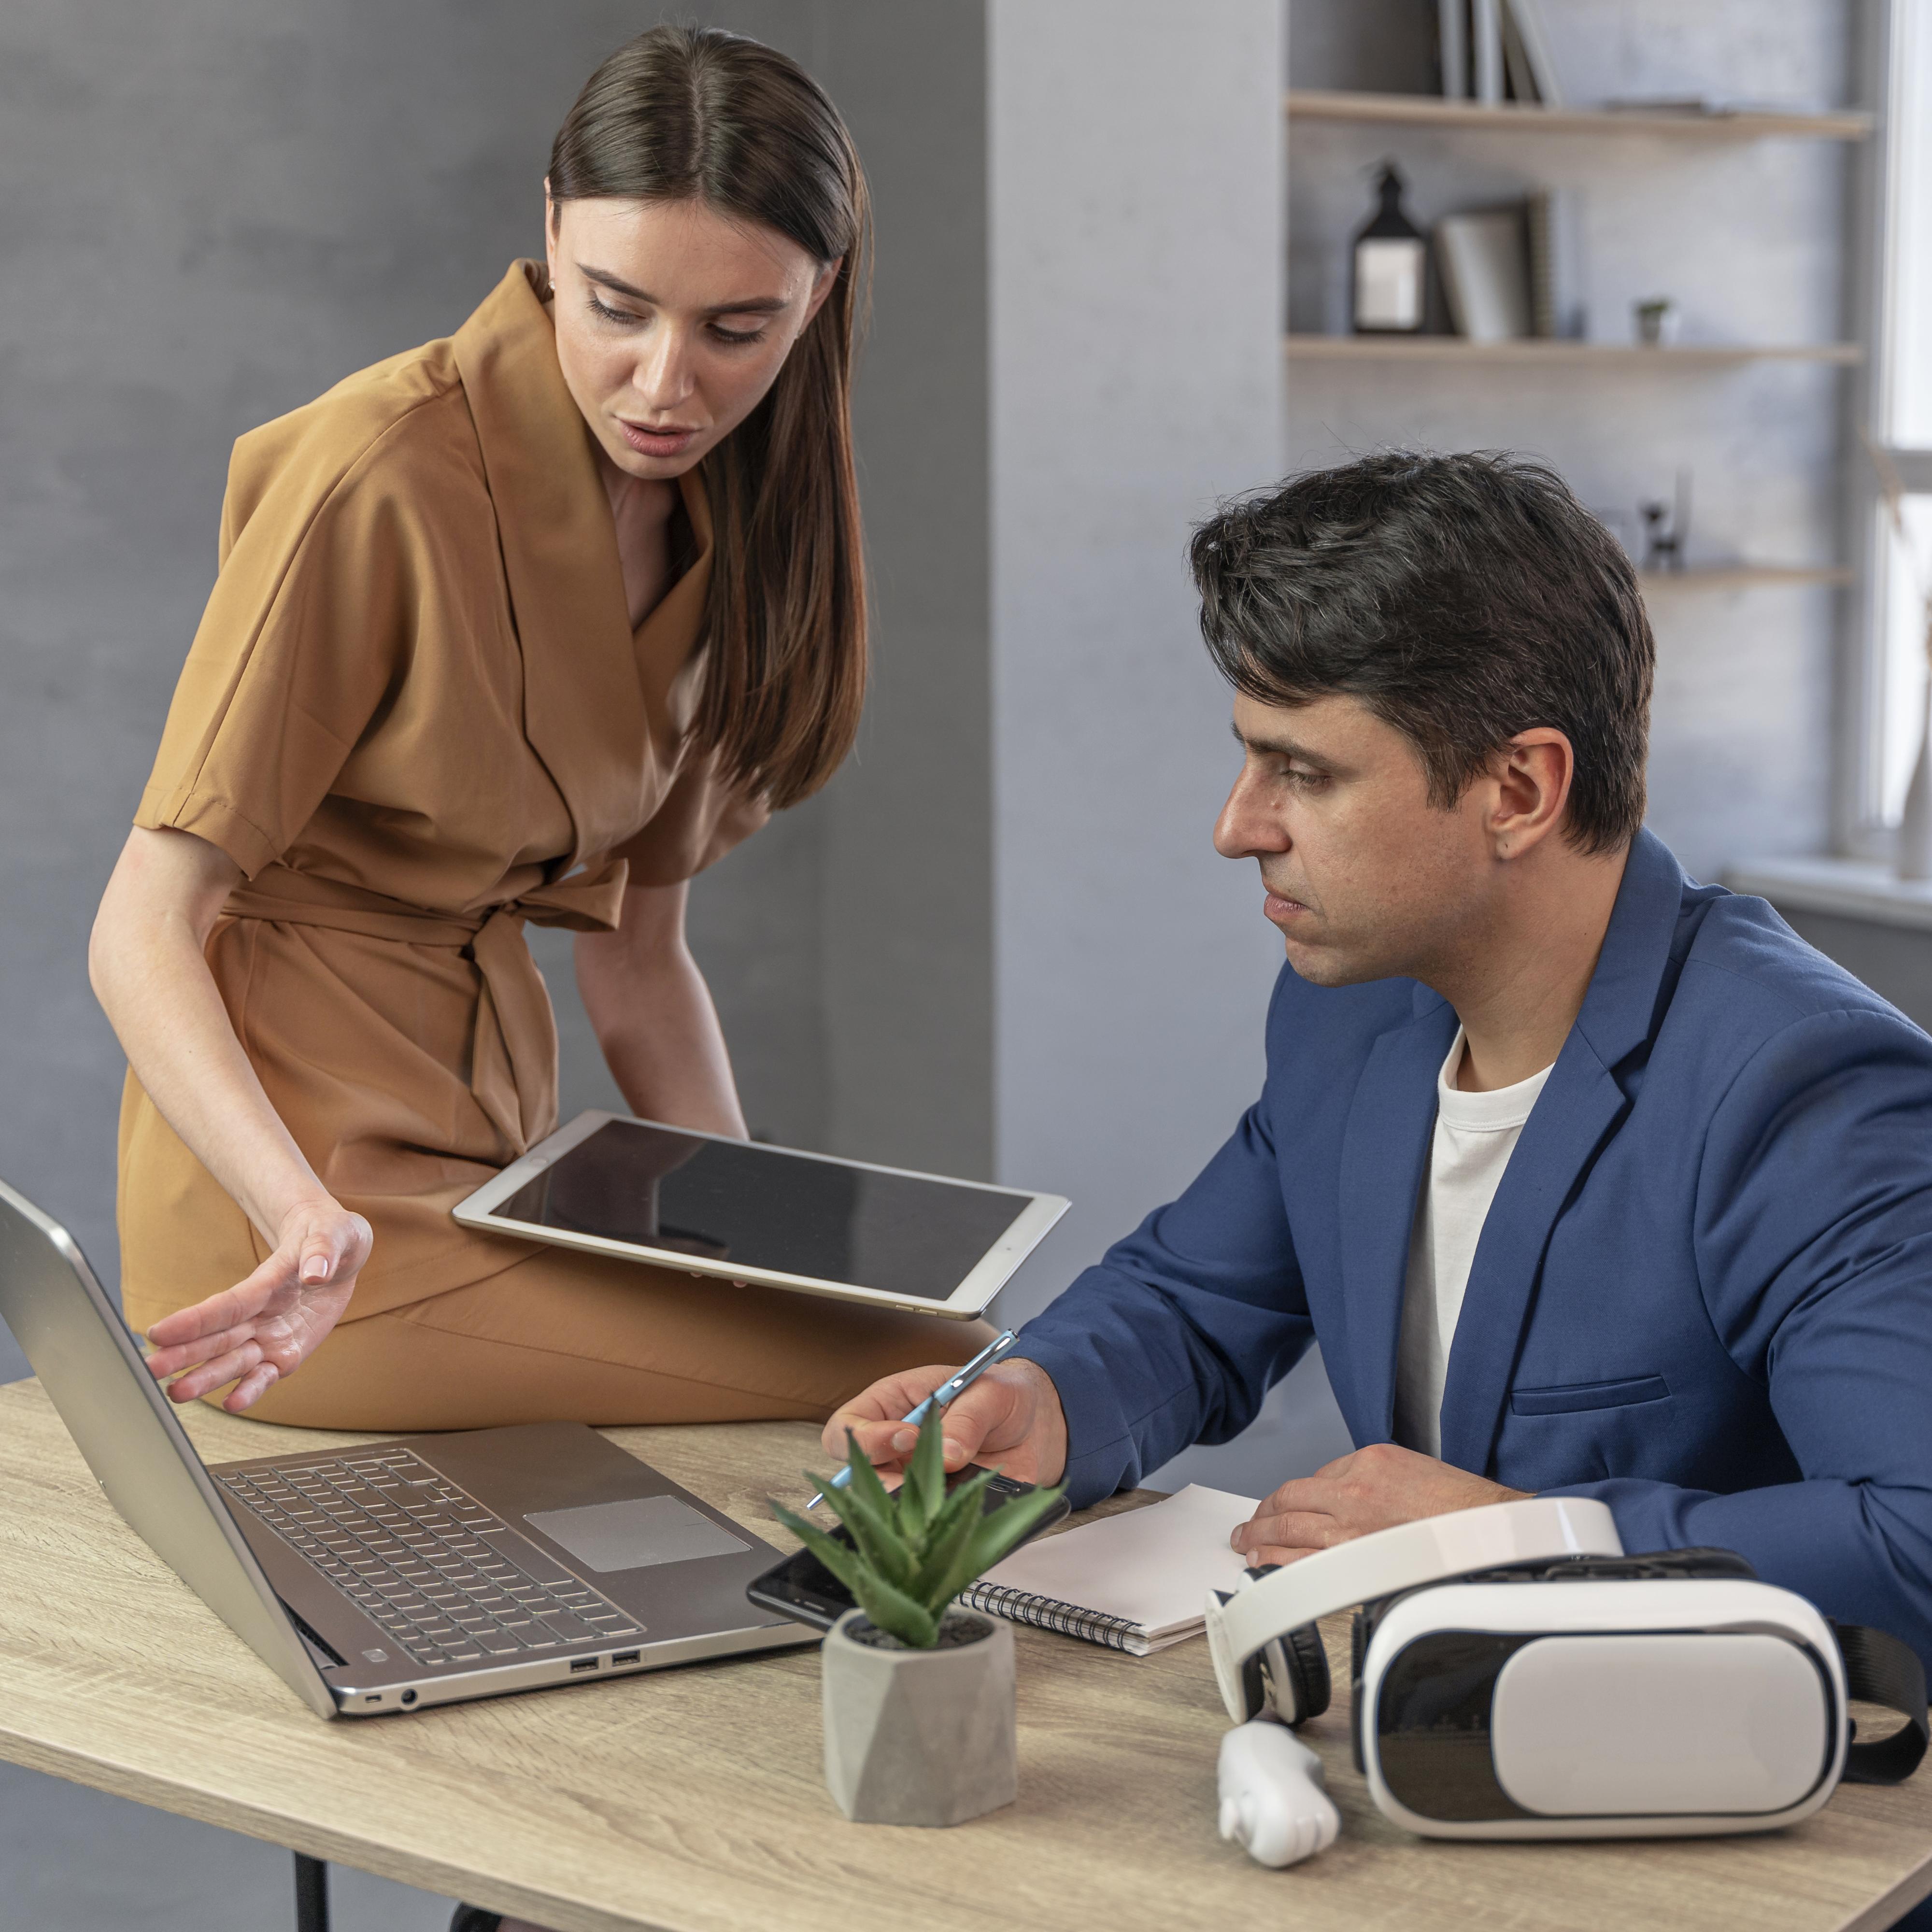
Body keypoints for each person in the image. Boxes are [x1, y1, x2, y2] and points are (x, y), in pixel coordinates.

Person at [830, 450, 1932, 1671]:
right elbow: (1199, 1297)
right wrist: (1040, 1399)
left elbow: (1915, 1541)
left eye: (1302, 771)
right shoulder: (1351, 1013)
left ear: (1517, 787)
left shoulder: (1805, 1090)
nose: (1235, 826)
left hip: (1745, 1797)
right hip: (1443, 1744)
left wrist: (1524, 1539)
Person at [89, 24, 991, 1431]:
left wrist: (763, 1242)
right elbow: (144, 920)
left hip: (499, 1161)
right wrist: (302, 1220)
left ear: (818, 299)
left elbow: (641, 966)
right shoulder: (380, 469)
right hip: (300, 1220)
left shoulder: (729, 527)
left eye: (733, 330)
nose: (663, 385)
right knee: (942, 1374)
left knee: (937, 1345)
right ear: (552, 230)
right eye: (616, 307)